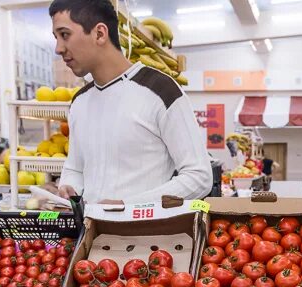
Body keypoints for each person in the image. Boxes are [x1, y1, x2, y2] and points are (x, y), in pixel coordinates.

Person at [49, 0, 211, 203]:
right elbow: (74, 167)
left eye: (65, 35)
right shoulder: (79, 102)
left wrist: (128, 205)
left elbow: (200, 177)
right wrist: (68, 188)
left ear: (100, 33)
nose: (58, 48)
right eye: (56, 37)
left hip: (146, 233)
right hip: (91, 232)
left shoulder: (162, 91)